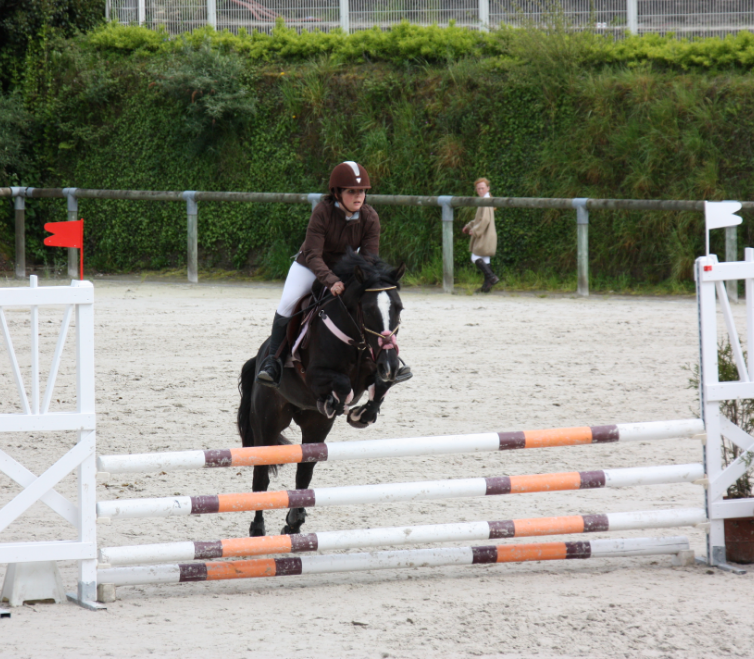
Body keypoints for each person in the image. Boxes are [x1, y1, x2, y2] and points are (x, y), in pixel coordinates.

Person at [256, 161, 410, 388]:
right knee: (287, 305)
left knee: (371, 305)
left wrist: (362, 282)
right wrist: (330, 281)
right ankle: (273, 362)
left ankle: (386, 356)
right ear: (337, 193)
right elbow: (313, 254)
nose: (358, 197)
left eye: (362, 192)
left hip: (347, 269)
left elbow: (369, 259)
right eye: (352, 191)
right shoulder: (322, 213)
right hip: (309, 266)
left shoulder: (370, 217)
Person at [462, 177, 499, 293]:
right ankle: (486, 287)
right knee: (485, 258)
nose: (480, 190)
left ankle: (492, 277)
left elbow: (485, 220)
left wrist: (475, 231)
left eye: (482, 188)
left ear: (488, 188)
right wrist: (469, 226)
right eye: (478, 189)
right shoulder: (485, 200)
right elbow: (479, 219)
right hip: (487, 234)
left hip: (484, 234)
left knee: (475, 257)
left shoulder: (486, 201)